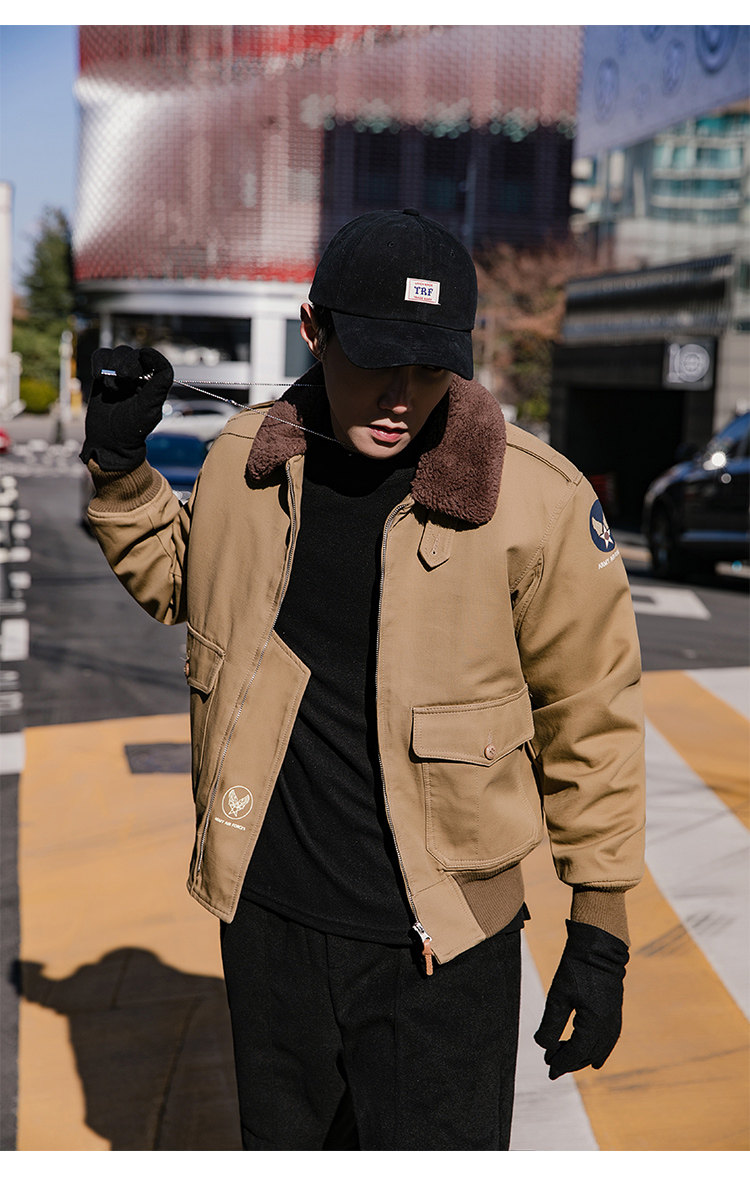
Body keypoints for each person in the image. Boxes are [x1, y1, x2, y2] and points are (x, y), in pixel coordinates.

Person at [80, 208, 645, 1151]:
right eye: (377, 359)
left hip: (445, 944)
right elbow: (182, 583)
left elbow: (592, 714)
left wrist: (601, 926)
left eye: (430, 368)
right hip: (270, 923)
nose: (400, 397)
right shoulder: (244, 463)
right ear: (315, 329)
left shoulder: (538, 502)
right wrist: (120, 469)